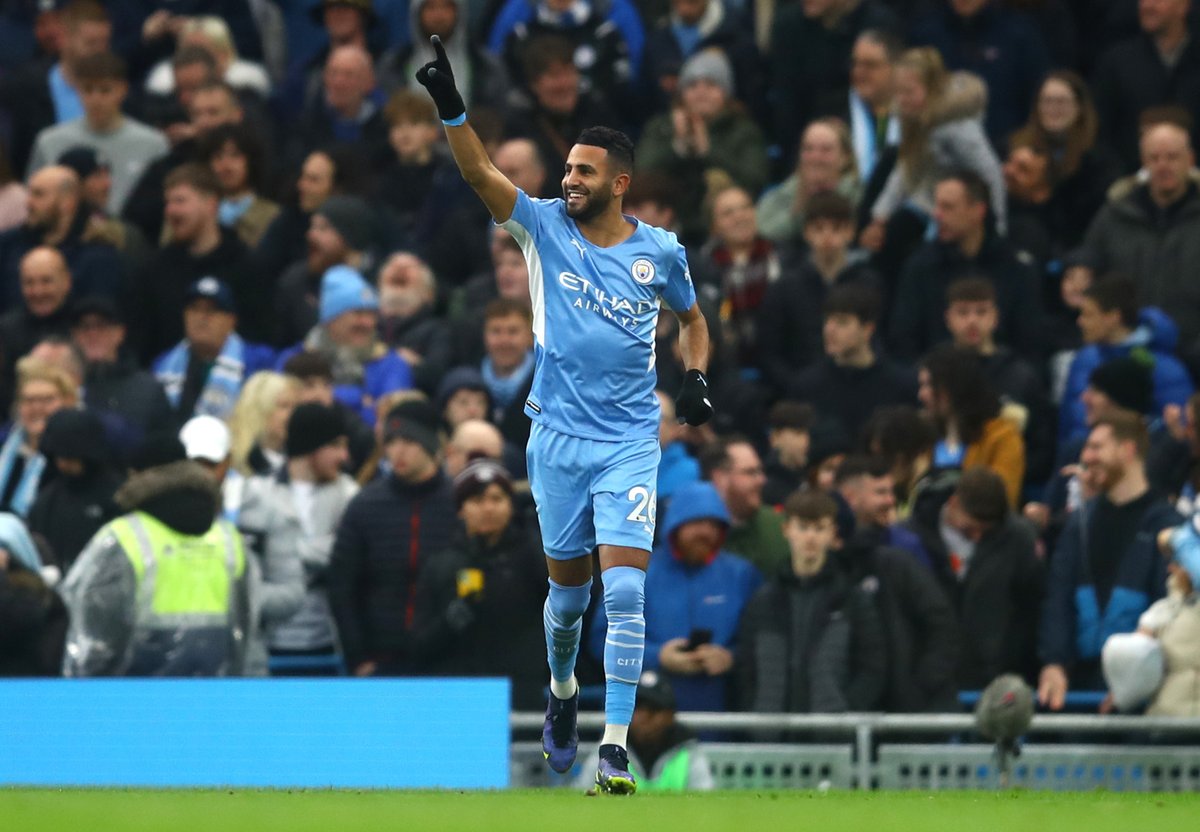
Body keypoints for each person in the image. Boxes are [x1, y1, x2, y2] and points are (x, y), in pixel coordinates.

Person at [417, 35, 713, 793]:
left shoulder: (661, 253)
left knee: (625, 592)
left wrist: (696, 378)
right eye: (567, 167)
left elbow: (693, 318)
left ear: (619, 181)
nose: (567, 178)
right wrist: (452, 107)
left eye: (583, 171)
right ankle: (562, 692)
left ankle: (612, 748)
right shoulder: (541, 226)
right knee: (568, 604)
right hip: (553, 442)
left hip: (627, 444)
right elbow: (481, 171)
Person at [59, 434, 251, 676]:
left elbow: (91, 637)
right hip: (212, 699)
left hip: (133, 700)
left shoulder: (122, 538)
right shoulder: (228, 539)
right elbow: (246, 631)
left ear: (134, 476)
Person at [1037, 411, 1180, 709]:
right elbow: (1058, 598)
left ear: (1128, 450)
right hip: (1077, 689)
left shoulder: (1166, 525)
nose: (1086, 457)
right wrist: (1054, 662)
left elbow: (1169, 607)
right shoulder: (1080, 523)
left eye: (1096, 447)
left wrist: (1134, 679)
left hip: (1145, 694)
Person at [591, 479, 760, 712]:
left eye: (713, 525)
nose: (706, 532)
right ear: (675, 524)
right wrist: (658, 657)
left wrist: (729, 658)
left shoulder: (741, 575)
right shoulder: (638, 571)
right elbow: (602, 639)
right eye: (697, 522)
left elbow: (760, 641)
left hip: (719, 715)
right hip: (645, 714)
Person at [328, 399, 458, 677]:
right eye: (391, 441)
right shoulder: (364, 505)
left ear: (431, 444)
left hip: (448, 660)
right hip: (380, 659)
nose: (398, 451)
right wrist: (357, 657)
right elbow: (342, 587)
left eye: (409, 440)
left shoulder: (458, 504)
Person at [734, 489, 887, 715]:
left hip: (832, 738)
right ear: (787, 530)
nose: (811, 537)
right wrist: (758, 712)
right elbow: (745, 668)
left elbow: (873, 667)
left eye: (819, 528)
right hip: (771, 738)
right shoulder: (763, 601)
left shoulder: (852, 600)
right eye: (803, 527)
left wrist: (844, 710)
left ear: (832, 533)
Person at [411, 458, 547, 707]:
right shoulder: (442, 564)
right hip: (460, 689)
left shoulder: (533, 557)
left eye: (497, 499)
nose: (488, 508)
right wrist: (450, 621)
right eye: (477, 500)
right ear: (461, 509)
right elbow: (419, 642)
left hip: (520, 687)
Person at [237, 402, 357, 676]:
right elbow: (249, 566)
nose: (345, 455)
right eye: (336, 446)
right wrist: (314, 554)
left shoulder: (350, 494)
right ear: (311, 446)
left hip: (330, 641)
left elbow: (344, 552)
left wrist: (283, 554)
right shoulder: (257, 492)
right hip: (270, 643)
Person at [1076, 121, 1200, 362]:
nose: (1163, 166)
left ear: (1190, 159)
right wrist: (1078, 269)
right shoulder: (1114, 215)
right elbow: (1089, 261)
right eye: (1154, 158)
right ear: (1143, 162)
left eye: (1172, 157)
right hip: (1123, 351)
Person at [887, 170, 1042, 361]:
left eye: (948, 207)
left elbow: (1030, 342)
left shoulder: (1017, 267)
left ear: (978, 210)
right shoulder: (921, 265)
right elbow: (903, 339)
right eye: (937, 206)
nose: (937, 215)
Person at [636, 48, 770, 243]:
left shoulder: (744, 130)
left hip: (722, 230)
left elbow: (755, 181)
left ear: (725, 93)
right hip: (669, 226)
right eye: (692, 85)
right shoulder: (661, 127)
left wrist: (709, 151)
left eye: (711, 84)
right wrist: (677, 148)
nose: (701, 92)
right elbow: (642, 175)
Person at [756, 190, 881, 394]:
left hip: (859, 386)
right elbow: (769, 354)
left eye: (837, 228)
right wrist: (799, 387)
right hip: (799, 392)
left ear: (851, 232)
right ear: (806, 232)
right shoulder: (784, 287)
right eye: (819, 228)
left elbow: (878, 340)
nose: (827, 237)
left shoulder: (869, 283)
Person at [931, 466, 1043, 689]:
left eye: (985, 530)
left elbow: (1033, 607)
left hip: (999, 678)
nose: (978, 536)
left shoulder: (1019, 539)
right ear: (953, 503)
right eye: (970, 528)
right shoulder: (917, 535)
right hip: (934, 678)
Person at [134, 163, 256, 360]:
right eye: (168, 202)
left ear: (211, 204)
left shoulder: (246, 265)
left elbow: (258, 334)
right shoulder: (155, 269)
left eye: (180, 201)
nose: (170, 210)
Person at [944, 275, 1055, 485]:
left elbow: (1042, 446)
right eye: (963, 312)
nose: (972, 321)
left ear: (995, 317)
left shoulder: (1021, 376)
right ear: (948, 318)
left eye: (981, 311)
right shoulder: (934, 374)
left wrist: (1007, 471)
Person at [27, 51, 168, 216]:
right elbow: (33, 197)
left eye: (105, 90)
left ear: (123, 90)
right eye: (88, 89)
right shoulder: (49, 141)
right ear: (77, 90)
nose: (96, 99)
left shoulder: (153, 144)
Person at [1060, 275, 1194, 445]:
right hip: (1078, 465)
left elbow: (1177, 432)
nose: (1080, 322)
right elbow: (1066, 425)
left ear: (1113, 317)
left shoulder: (1164, 369)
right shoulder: (1084, 359)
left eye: (1088, 315)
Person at [275, 264, 415, 426]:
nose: (367, 323)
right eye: (358, 313)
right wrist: (356, 398)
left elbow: (391, 420)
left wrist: (318, 398)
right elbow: (286, 414)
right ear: (331, 319)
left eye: (372, 314)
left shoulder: (392, 365)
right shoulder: (294, 359)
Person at [908, 0, 1050, 148]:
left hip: (1006, 149)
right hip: (935, 148)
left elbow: (1035, 94)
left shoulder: (1019, 34)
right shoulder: (926, 33)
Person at [791, 282, 917, 440]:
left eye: (842, 322)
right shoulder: (806, 386)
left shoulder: (902, 385)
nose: (829, 330)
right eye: (827, 321)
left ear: (868, 329)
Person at [1092, 0, 1200, 171]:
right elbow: (1099, 133)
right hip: (1129, 183)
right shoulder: (1117, 63)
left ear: (1183, 6)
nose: (1147, 6)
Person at [153, 277, 277, 423]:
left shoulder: (259, 361)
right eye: (194, 308)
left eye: (211, 310)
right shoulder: (163, 364)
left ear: (231, 320)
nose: (201, 317)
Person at [919, 344, 1025, 507]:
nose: (922, 394)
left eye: (929, 385)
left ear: (954, 387)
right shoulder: (924, 437)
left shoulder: (1002, 436)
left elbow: (1003, 497)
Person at [574, 670, 716, 791]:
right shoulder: (608, 750)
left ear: (670, 715)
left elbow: (705, 801)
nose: (644, 717)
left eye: (653, 710)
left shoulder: (688, 754)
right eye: (637, 708)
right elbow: (583, 798)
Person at [26, 407, 122, 574]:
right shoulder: (47, 499)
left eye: (70, 458)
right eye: (59, 457)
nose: (63, 464)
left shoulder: (117, 496)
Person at [70, 296, 172, 449]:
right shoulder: (64, 383)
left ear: (119, 333)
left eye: (101, 326)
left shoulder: (148, 390)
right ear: (74, 335)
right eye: (85, 327)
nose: (92, 334)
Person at [755, 117, 861, 249]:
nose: (815, 157)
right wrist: (801, 205)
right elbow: (763, 232)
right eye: (808, 149)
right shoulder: (782, 194)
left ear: (845, 157)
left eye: (826, 150)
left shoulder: (860, 197)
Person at [0, 358, 76, 517]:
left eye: (47, 399)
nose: (37, 407)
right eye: (29, 400)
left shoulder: (72, 458)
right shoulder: (5, 446)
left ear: (68, 402)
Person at [702, 437, 788, 576]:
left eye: (760, 471)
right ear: (720, 478)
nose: (762, 480)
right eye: (750, 472)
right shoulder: (694, 535)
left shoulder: (780, 526)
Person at [376, 251, 453, 394]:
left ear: (428, 293)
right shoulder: (364, 327)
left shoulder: (438, 331)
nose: (398, 268)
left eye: (409, 267)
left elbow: (437, 379)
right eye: (392, 265)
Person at [199, 121, 279, 249]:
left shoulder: (273, 216)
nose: (225, 165)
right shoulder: (193, 209)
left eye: (235, 155)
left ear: (251, 161)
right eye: (218, 157)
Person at [762, 401, 814, 508]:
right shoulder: (765, 486)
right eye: (798, 433)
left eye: (807, 433)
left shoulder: (807, 481)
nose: (805, 441)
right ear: (775, 437)